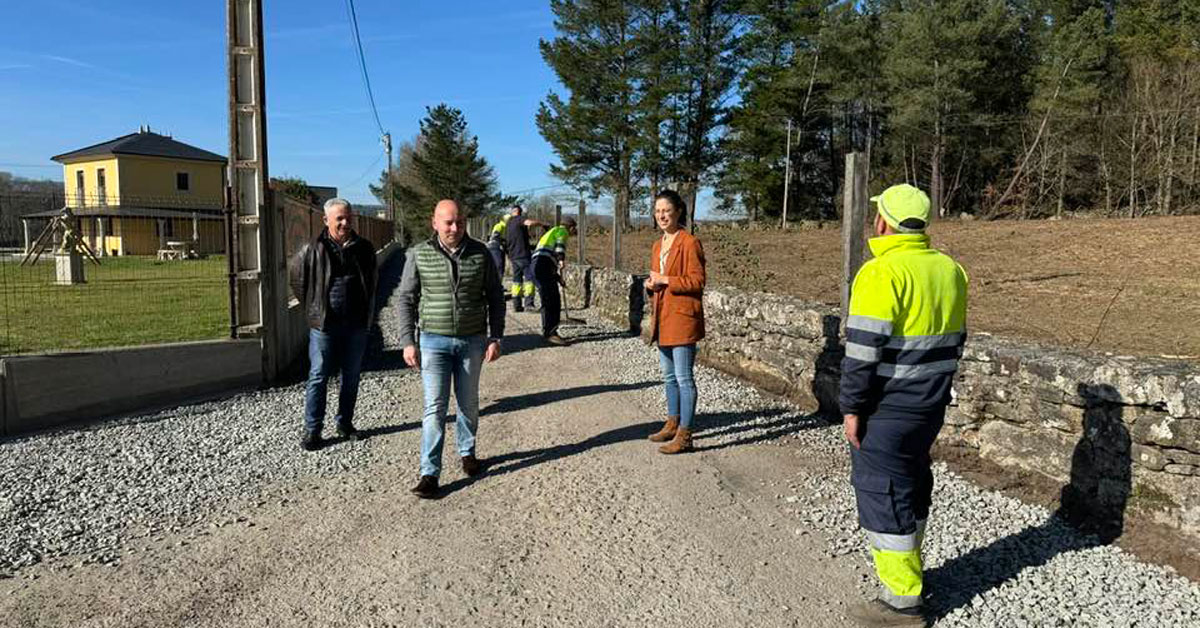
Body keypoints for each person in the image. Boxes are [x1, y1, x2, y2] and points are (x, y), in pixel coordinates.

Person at [840, 184, 968, 627]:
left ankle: (903, 601)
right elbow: (956, 341)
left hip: (886, 408)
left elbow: (860, 354)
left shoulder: (881, 273)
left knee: (881, 492)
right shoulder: (951, 270)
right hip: (930, 405)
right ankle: (913, 572)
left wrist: (852, 409)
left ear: (883, 222)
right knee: (912, 481)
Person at [397, 199, 505, 499]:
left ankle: (468, 454)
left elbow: (496, 297)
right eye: (448, 222)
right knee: (435, 407)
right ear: (435, 223)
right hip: (433, 341)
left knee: (468, 403)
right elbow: (405, 298)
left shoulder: (481, 253)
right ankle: (429, 473)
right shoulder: (419, 254)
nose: (455, 228)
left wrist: (496, 336)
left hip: (472, 340)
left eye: (459, 222)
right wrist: (408, 341)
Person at [287, 198, 378, 452]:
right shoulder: (312, 248)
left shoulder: (365, 248)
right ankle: (313, 430)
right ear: (325, 220)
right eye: (339, 218)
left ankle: (345, 424)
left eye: (348, 217)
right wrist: (314, 308)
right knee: (318, 376)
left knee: (351, 377)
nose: (345, 222)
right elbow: (297, 279)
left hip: (356, 325)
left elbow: (372, 282)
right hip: (324, 326)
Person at [644, 190, 705, 455]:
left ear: (678, 211)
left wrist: (666, 280)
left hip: (682, 318)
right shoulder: (658, 245)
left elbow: (697, 281)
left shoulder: (690, 242)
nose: (662, 216)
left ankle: (686, 435)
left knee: (683, 378)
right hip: (663, 317)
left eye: (666, 210)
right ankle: (672, 422)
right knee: (669, 377)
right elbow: (658, 280)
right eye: (658, 211)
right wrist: (650, 285)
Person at [531, 216, 577, 346]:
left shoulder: (551, 232)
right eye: (574, 229)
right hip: (542, 266)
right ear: (571, 227)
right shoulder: (561, 231)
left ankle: (549, 331)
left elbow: (546, 258)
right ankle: (550, 333)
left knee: (549, 298)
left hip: (538, 266)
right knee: (552, 301)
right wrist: (561, 258)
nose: (573, 232)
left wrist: (557, 277)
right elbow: (559, 246)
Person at [504, 205, 546, 312]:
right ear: (519, 212)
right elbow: (529, 223)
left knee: (516, 281)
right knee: (529, 279)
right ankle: (529, 304)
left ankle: (516, 305)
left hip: (513, 256)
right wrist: (542, 224)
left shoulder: (508, 223)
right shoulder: (519, 219)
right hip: (522, 255)